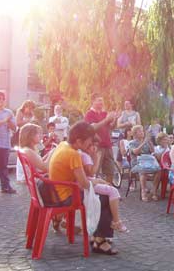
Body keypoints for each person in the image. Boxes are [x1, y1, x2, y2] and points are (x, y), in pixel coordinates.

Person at [49, 121, 118, 255]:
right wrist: (98, 181)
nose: (90, 143)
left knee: (103, 195)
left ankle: (98, 236)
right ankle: (100, 241)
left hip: (58, 192)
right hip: (67, 196)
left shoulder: (63, 145)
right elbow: (85, 184)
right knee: (105, 198)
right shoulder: (73, 154)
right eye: (89, 141)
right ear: (79, 141)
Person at [81, 141, 127, 232]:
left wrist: (101, 181)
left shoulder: (85, 155)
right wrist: (97, 158)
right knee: (113, 191)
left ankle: (114, 203)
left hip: (89, 181)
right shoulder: (85, 156)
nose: (95, 149)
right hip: (88, 184)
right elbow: (92, 172)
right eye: (93, 146)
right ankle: (116, 221)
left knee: (107, 186)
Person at [84, 93, 118, 184]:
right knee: (95, 171)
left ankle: (109, 192)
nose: (101, 103)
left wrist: (115, 119)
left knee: (110, 171)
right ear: (93, 101)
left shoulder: (104, 113)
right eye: (99, 100)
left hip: (107, 145)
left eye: (102, 101)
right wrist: (106, 119)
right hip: (96, 146)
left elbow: (111, 127)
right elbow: (92, 128)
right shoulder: (89, 114)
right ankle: (96, 194)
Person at [128, 125, 161, 201]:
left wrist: (149, 143)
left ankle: (154, 191)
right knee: (143, 171)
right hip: (137, 163)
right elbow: (135, 152)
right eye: (140, 131)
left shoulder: (146, 141)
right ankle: (143, 191)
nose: (142, 133)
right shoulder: (132, 143)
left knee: (159, 170)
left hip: (148, 162)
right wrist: (143, 143)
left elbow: (152, 151)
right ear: (135, 134)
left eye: (142, 131)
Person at [0, 91, 17, 193]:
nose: (0, 100)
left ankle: (5, 187)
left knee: (3, 167)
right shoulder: (6, 116)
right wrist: (5, 120)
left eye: (2, 98)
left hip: (4, 144)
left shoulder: (8, 113)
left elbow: (14, 128)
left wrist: (9, 121)